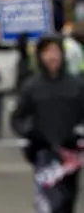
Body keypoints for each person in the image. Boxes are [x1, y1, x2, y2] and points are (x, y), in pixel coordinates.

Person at [11, 35, 84, 213]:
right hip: (43, 153)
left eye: (55, 51)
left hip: (70, 155)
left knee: (66, 201)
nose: (52, 57)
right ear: (40, 56)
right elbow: (17, 117)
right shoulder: (31, 86)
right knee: (47, 203)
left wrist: (79, 135)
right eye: (47, 52)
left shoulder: (76, 84)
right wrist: (30, 133)